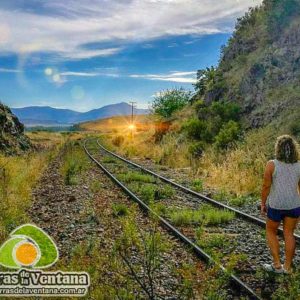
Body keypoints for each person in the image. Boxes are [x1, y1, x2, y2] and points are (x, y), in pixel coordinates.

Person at [261, 135, 300, 274]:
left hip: (276, 204)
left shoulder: (272, 164)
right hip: (294, 205)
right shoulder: (299, 165)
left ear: (278, 148)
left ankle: (277, 265)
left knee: (271, 231)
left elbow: (266, 186)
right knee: (289, 233)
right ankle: (288, 268)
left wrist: (263, 203)